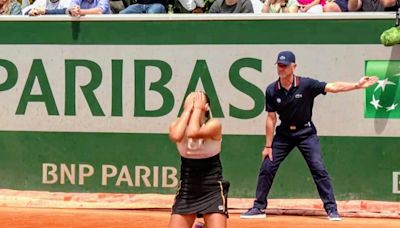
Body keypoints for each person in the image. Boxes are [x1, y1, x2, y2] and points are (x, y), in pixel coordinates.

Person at [240, 51, 378, 221]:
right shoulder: (271, 90)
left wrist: (357, 85)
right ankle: (258, 207)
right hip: (283, 134)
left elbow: (332, 87)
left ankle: (331, 209)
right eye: (279, 65)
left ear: (294, 66)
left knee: (318, 169)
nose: (281, 69)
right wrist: (268, 146)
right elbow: (271, 117)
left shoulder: (306, 85)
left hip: (306, 133)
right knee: (267, 167)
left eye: (285, 65)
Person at [168, 91, 230, 228]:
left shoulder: (214, 125)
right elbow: (176, 136)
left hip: (212, 189)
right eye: (189, 102)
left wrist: (196, 110)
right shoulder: (176, 126)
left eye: (196, 101)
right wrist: (188, 111)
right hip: (187, 190)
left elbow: (193, 133)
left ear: (206, 107)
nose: (192, 104)